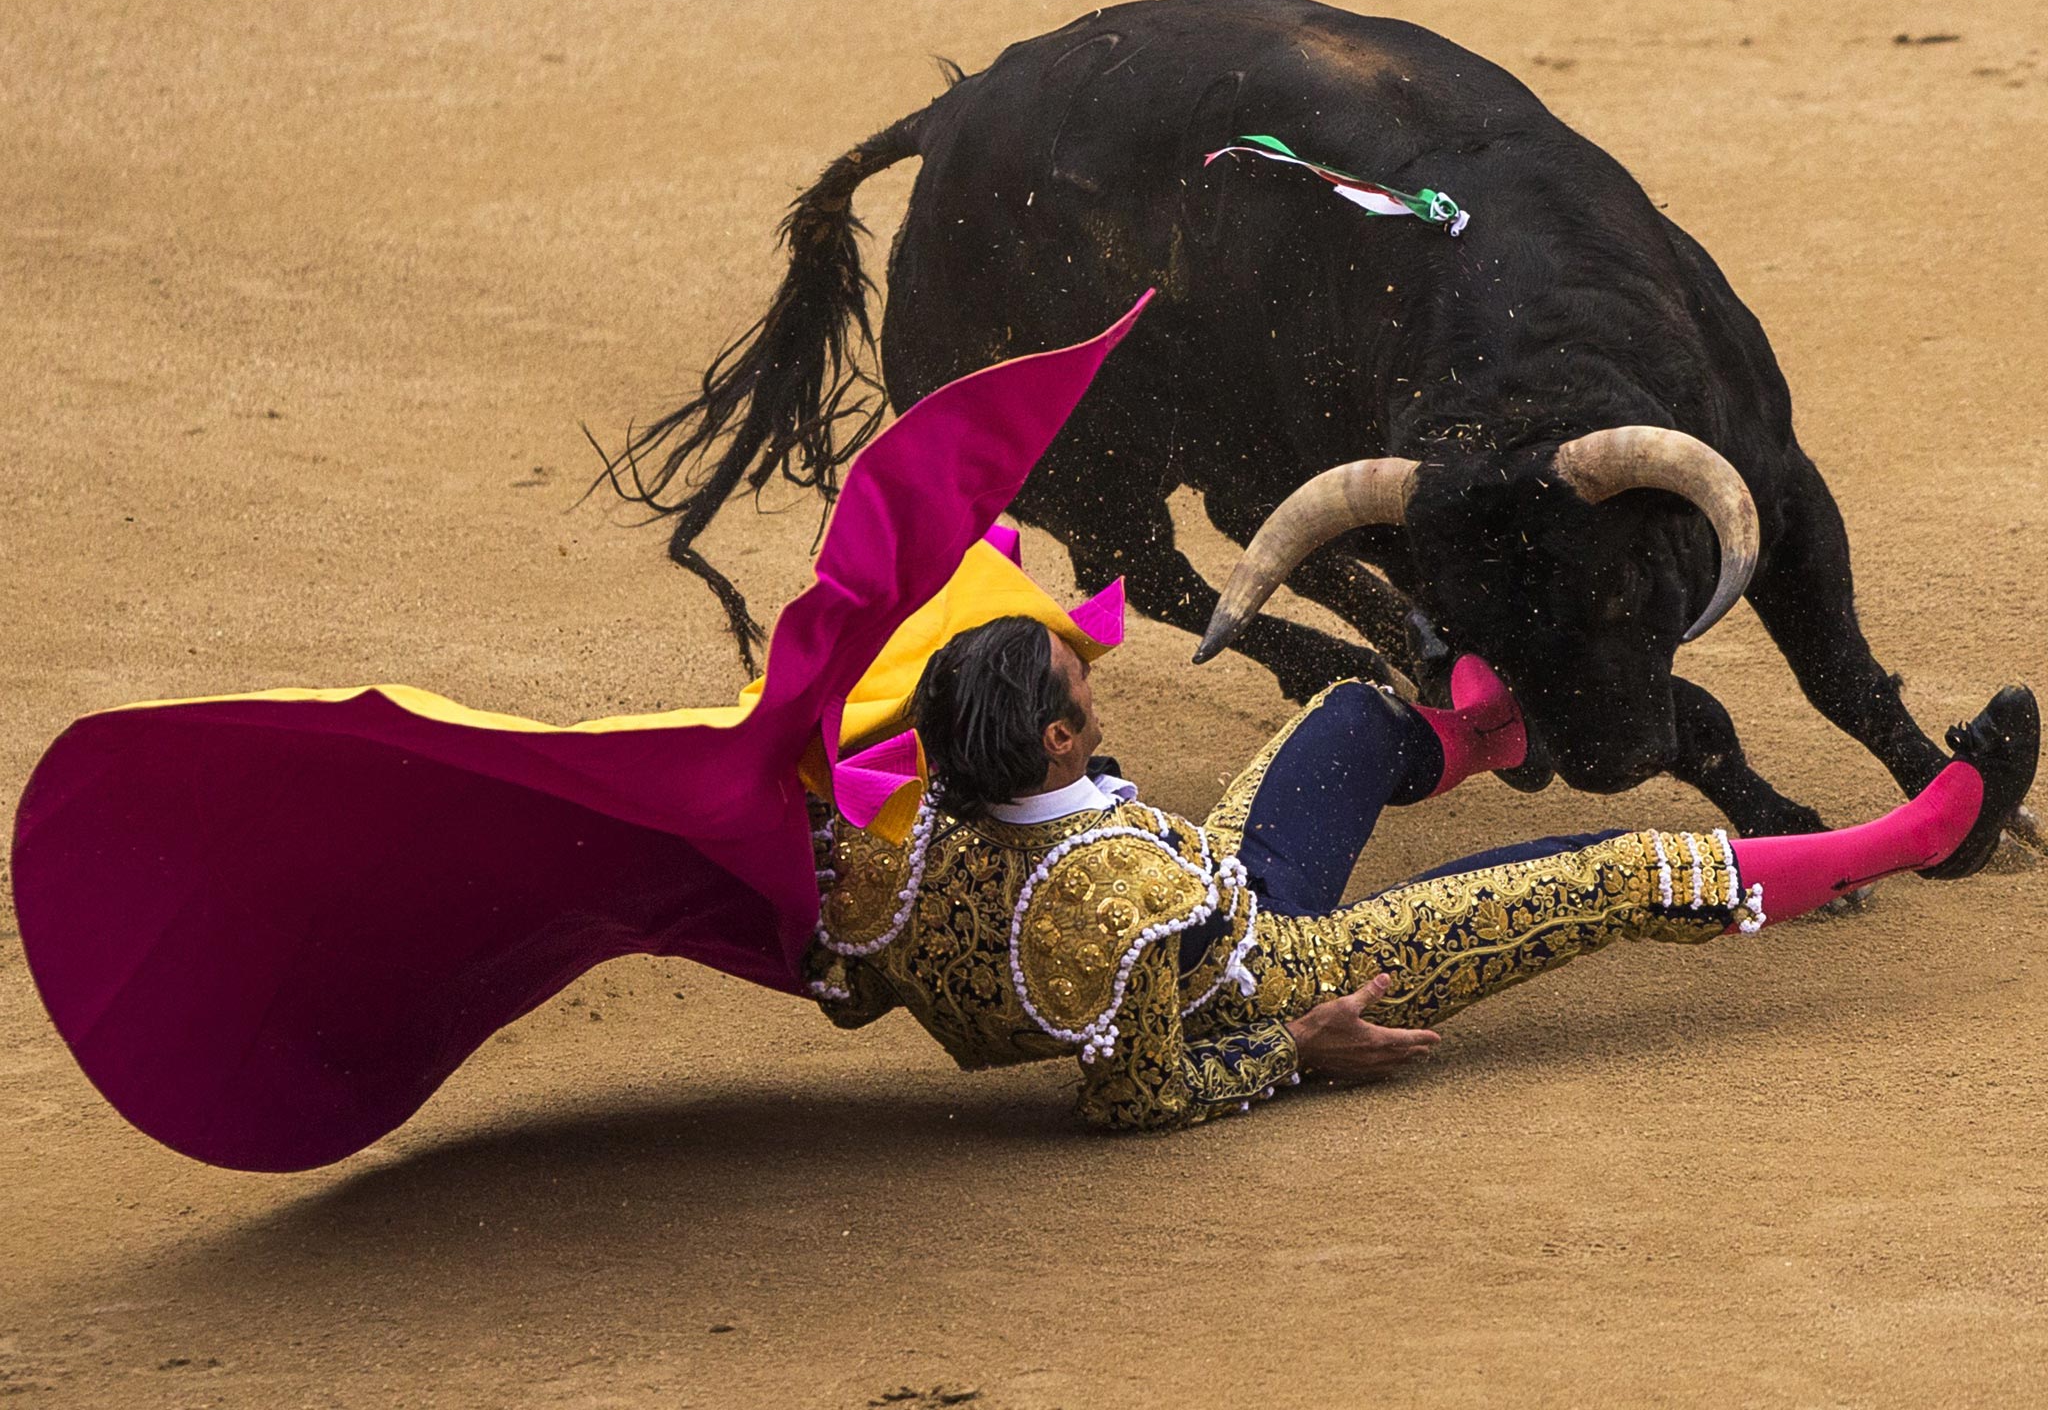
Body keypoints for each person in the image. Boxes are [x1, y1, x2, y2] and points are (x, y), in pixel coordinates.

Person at [805, 617, 2039, 1132]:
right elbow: (1134, 1100)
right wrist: (1297, 1048)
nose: (1087, 662)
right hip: (1285, 974)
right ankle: (1922, 832)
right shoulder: (1106, 912)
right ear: (1058, 743)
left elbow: (852, 983)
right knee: (1605, 877)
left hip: (1223, 896)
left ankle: (1497, 728)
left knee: (1345, 717)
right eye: (1073, 682)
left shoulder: (890, 844)